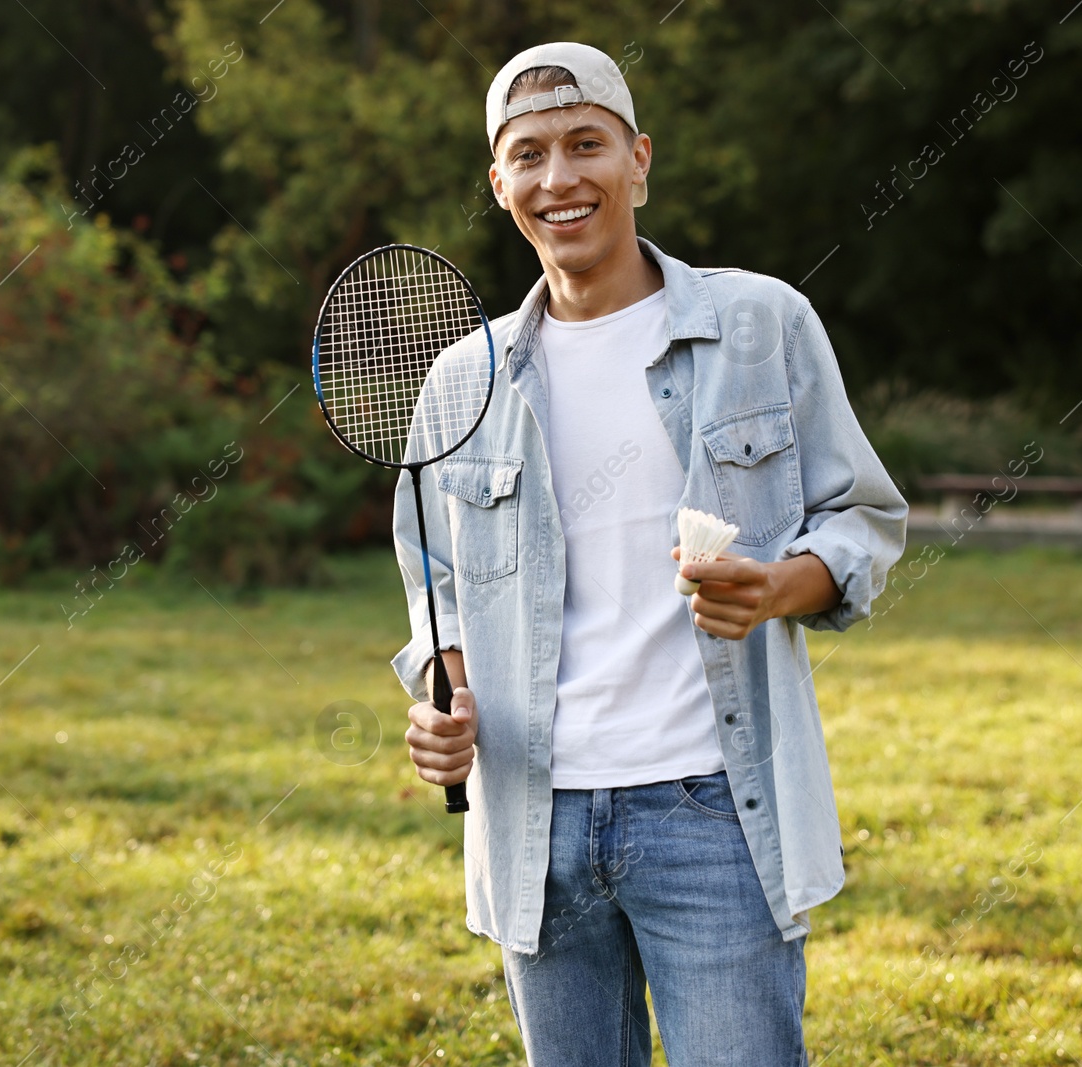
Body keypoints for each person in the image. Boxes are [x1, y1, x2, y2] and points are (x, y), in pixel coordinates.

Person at [390, 41, 908, 1065]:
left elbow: (861, 520)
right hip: (533, 817)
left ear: (638, 159)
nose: (559, 178)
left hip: (712, 805)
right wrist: (445, 699)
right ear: (499, 187)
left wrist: (775, 587)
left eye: (586, 145)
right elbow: (437, 588)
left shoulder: (759, 322)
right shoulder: (463, 380)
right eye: (528, 155)